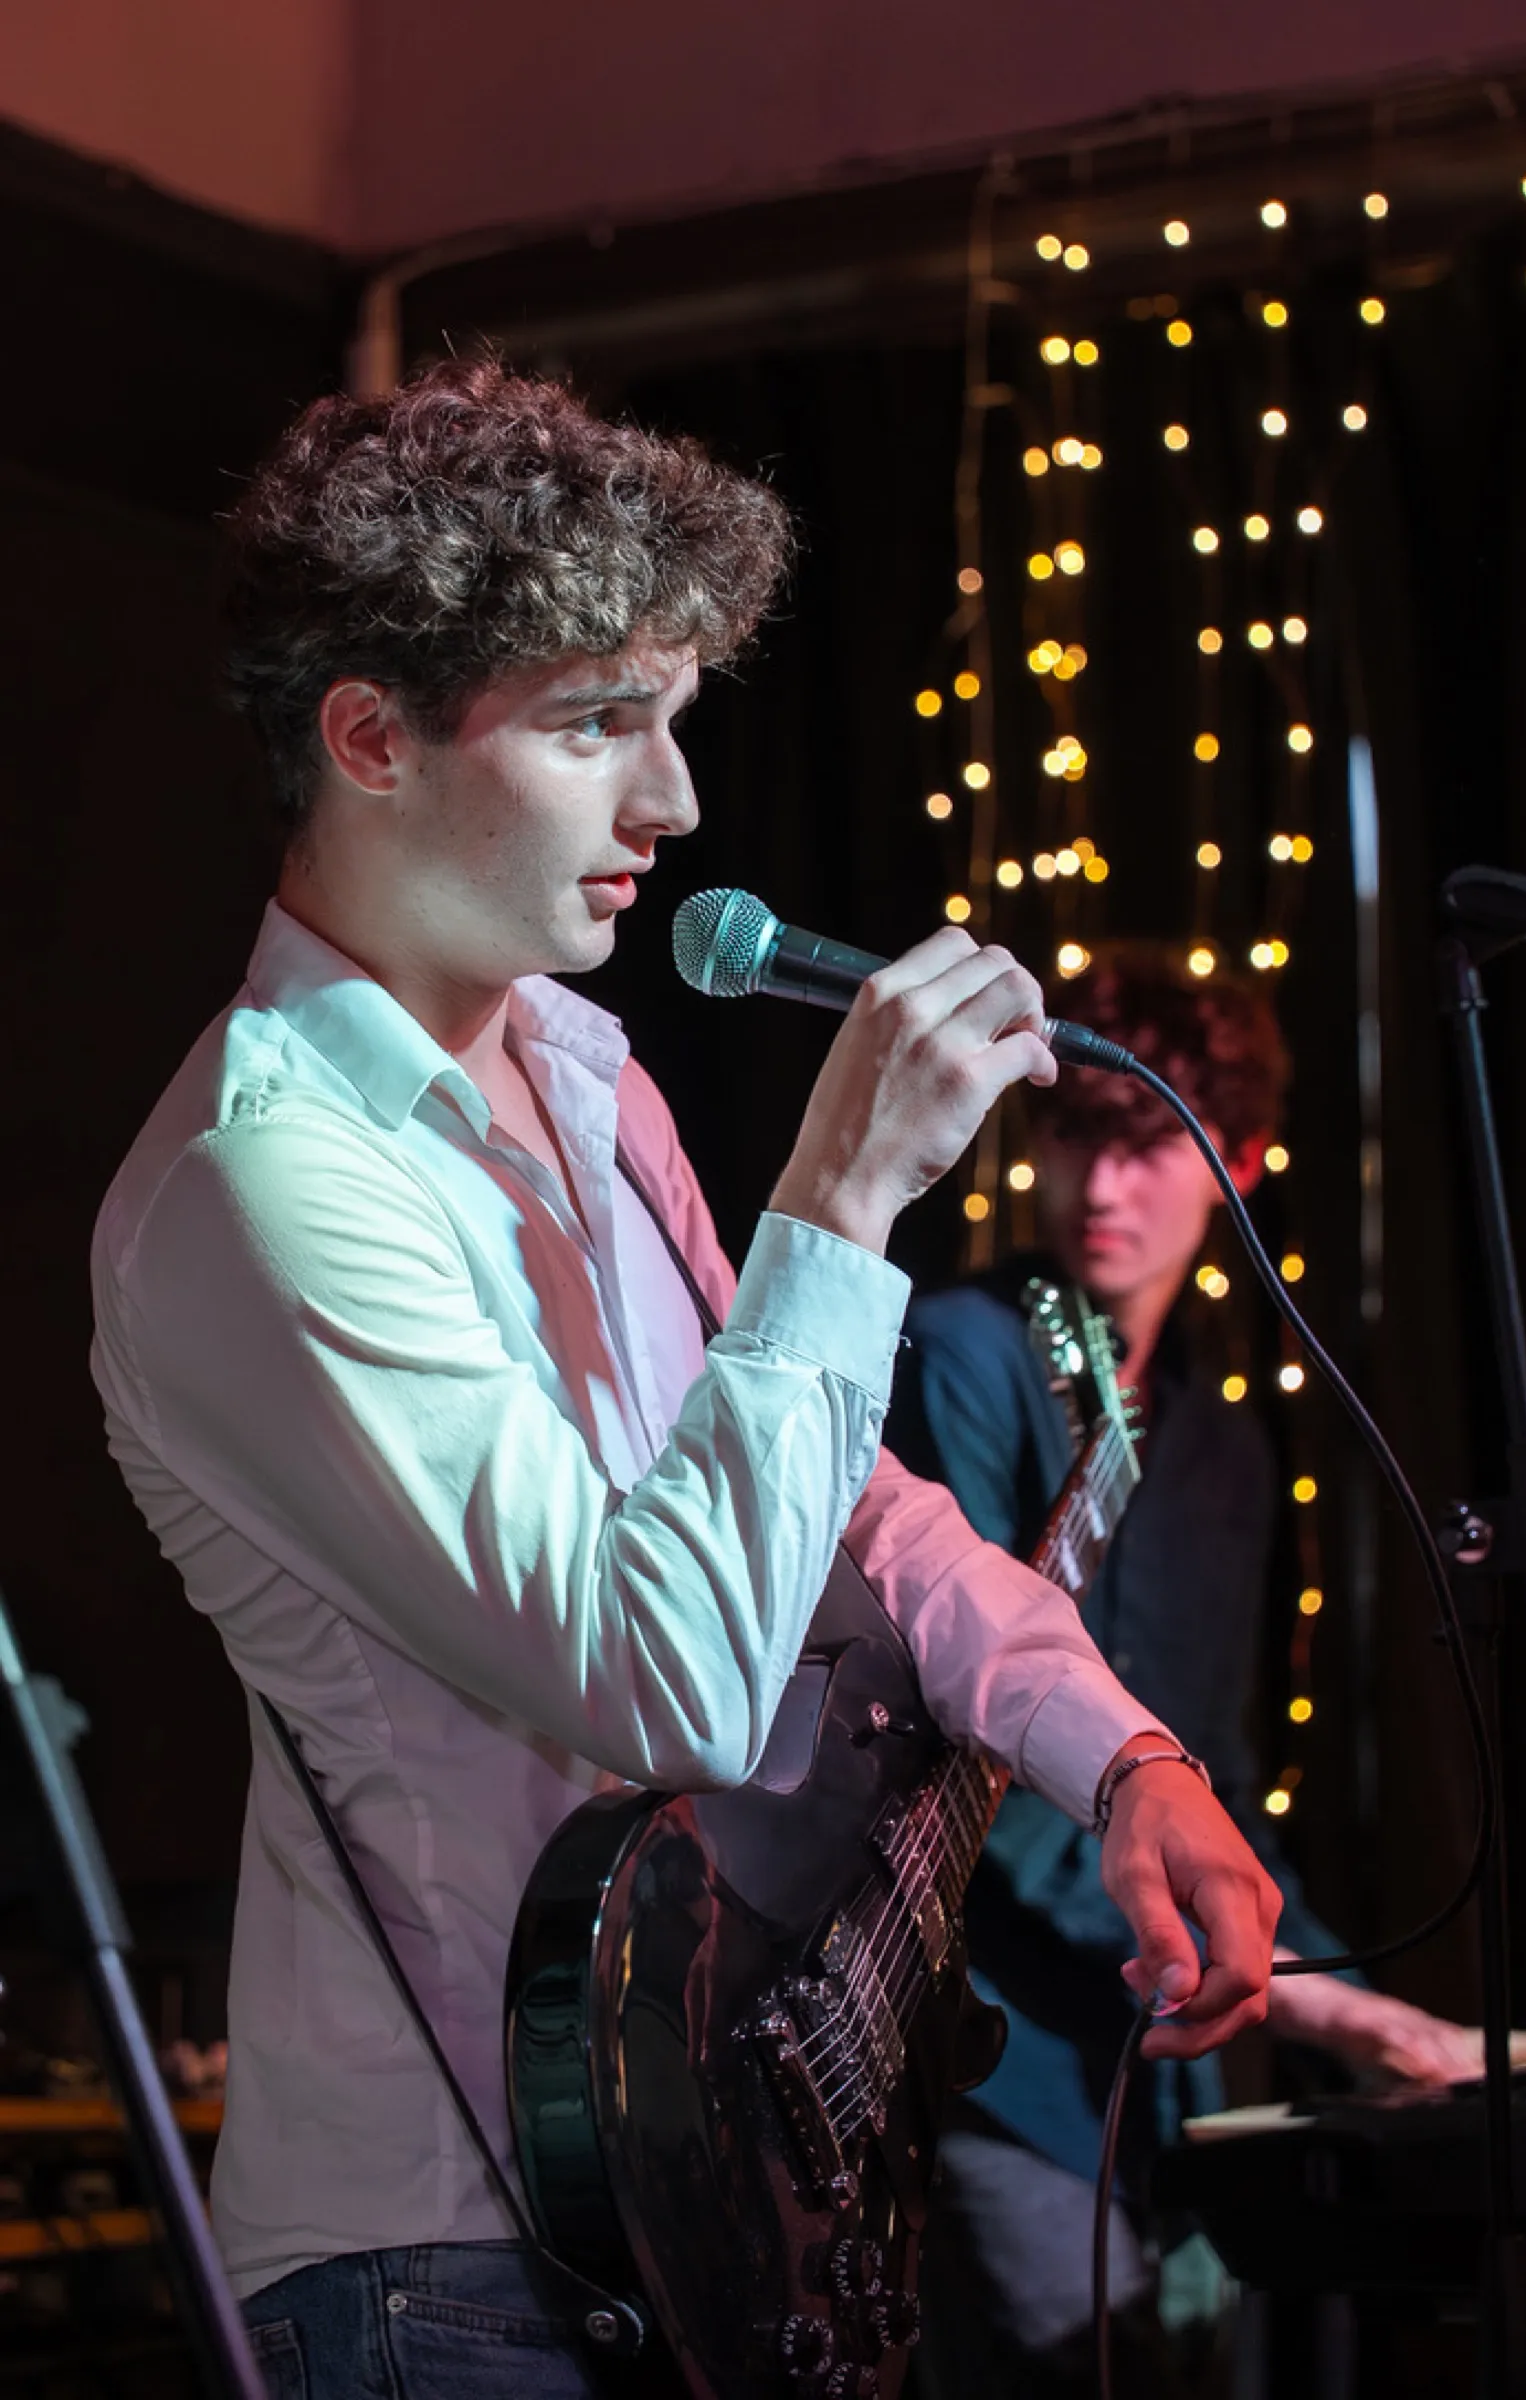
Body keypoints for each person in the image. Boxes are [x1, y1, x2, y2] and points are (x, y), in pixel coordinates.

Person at [88, 364, 1281, 2400]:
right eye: (592, 724)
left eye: (677, 716)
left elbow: (816, 1499)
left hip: (701, 2169)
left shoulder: (578, 1065)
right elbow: (674, 1688)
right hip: (452, 2250)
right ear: (366, 738)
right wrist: (840, 1196)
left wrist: (1119, 1753)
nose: (675, 804)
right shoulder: (262, 1184)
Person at [887, 943, 1486, 2398]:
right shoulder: (968, 1349)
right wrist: (1321, 2004)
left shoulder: (1222, 1445)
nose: (1103, 1186)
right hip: (998, 2060)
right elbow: (986, 1752)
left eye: (1150, 1144)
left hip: (1165, 2073)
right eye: (1078, 1135)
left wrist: (1356, 1992)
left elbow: (1202, 1782)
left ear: (1241, 1160)